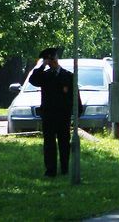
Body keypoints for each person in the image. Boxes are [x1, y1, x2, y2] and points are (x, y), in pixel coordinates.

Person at [28, 47, 81, 177]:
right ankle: (50, 170)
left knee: (64, 142)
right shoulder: (45, 76)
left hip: (63, 114)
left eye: (53, 58)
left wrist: (77, 110)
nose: (53, 61)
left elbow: (75, 95)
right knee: (49, 143)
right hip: (49, 114)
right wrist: (42, 65)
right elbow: (33, 80)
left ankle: (64, 168)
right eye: (50, 59)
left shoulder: (68, 75)